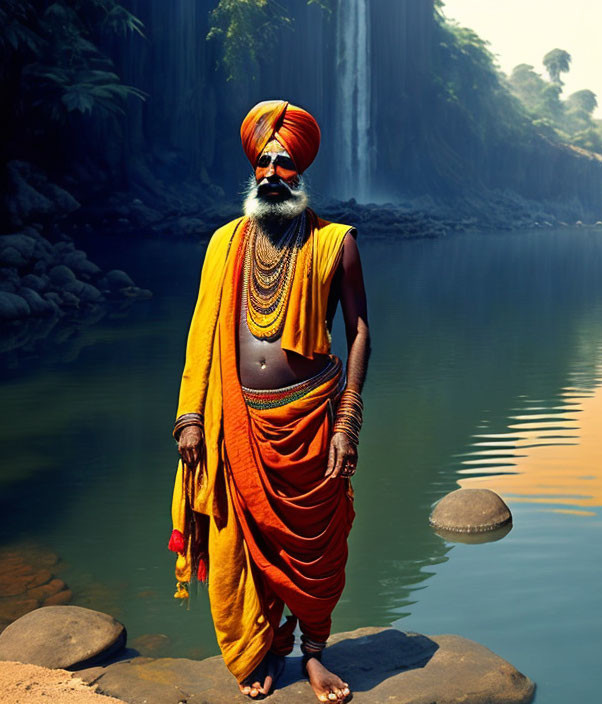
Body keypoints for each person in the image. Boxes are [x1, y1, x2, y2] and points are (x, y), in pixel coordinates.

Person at [169, 99, 370, 702]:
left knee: (316, 546)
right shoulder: (224, 242)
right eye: (263, 161)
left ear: (301, 170)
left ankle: (312, 654)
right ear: (252, 167)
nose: (271, 173)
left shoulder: (337, 242)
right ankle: (259, 648)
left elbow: (359, 330)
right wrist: (192, 415)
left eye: (284, 163)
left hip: (312, 417)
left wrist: (348, 420)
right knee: (243, 543)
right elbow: (203, 328)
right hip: (236, 418)